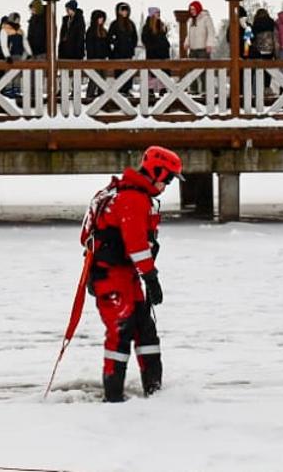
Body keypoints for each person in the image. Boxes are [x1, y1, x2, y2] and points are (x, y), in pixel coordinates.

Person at [80, 145, 179, 402]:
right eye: (168, 177)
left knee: (145, 330)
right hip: (112, 277)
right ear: (155, 171)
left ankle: (154, 392)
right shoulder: (132, 199)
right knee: (121, 332)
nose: (168, 185)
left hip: (125, 275)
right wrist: (151, 277)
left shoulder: (120, 192)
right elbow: (136, 245)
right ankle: (114, 399)